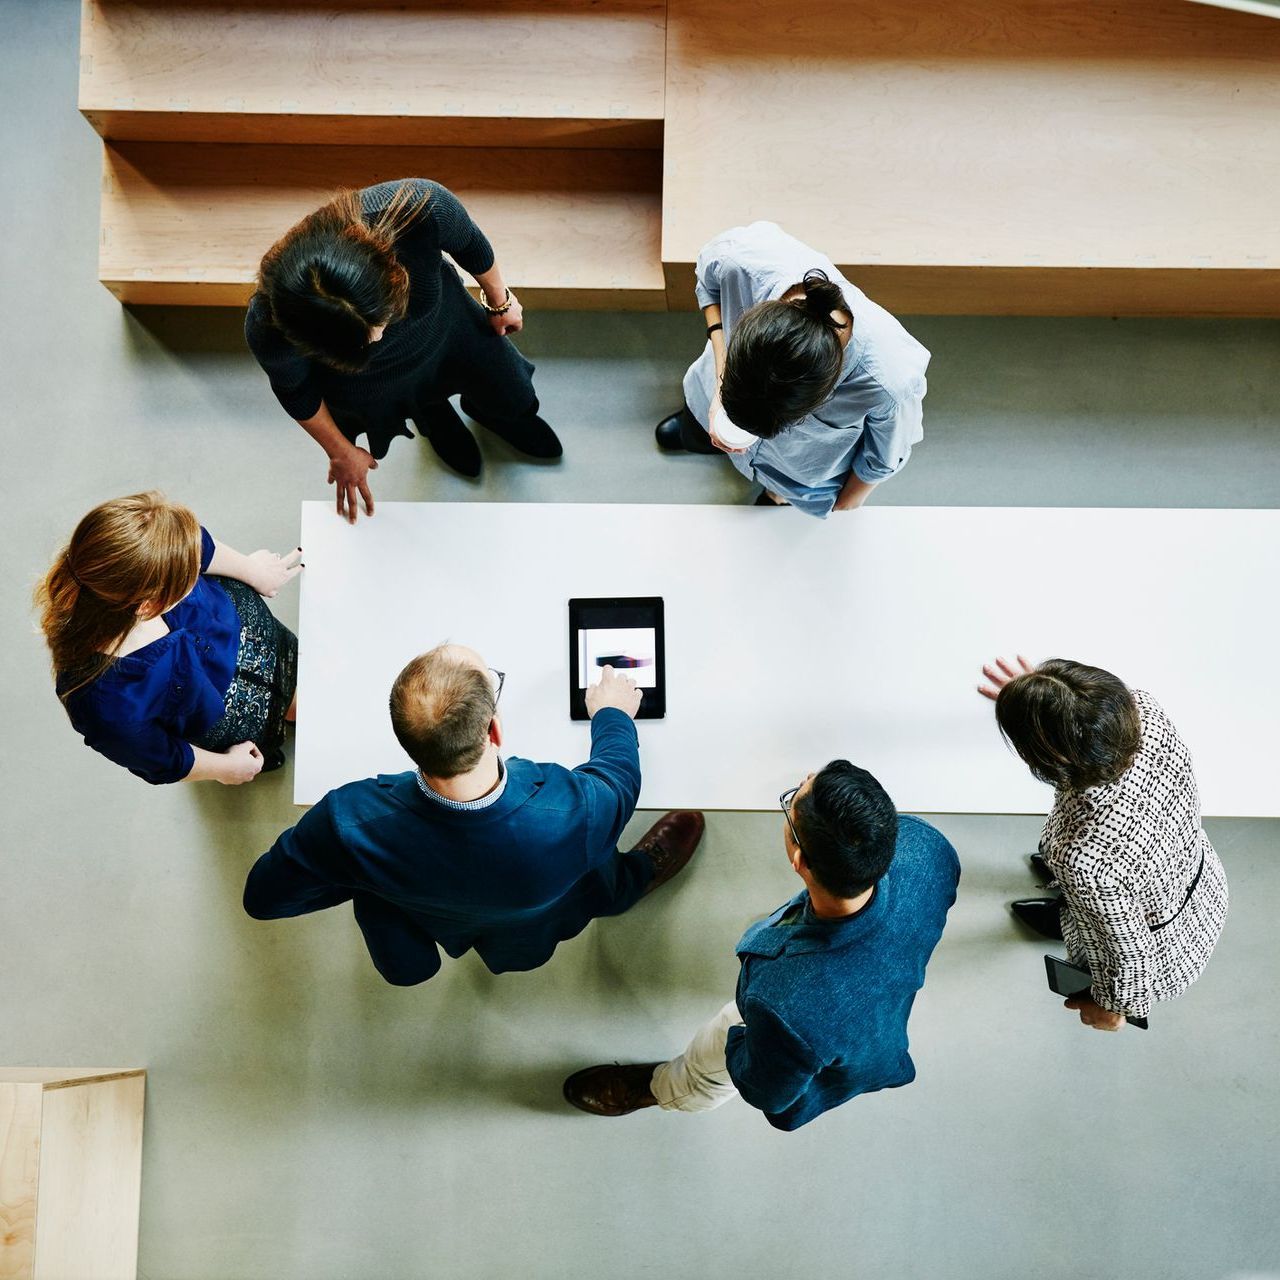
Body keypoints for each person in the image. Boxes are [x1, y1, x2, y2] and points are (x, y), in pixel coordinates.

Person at [243, 645, 703, 986]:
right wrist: (613, 714)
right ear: (495, 729)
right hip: (533, 922)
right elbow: (619, 777)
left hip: (433, 916)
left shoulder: (347, 822)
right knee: (600, 868)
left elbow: (264, 899)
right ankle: (632, 881)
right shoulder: (572, 807)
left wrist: (365, 877)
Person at [563, 761, 958, 1130]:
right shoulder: (928, 847)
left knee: (711, 1059)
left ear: (800, 859)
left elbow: (766, 1090)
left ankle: (662, 1088)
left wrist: (738, 1041)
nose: (796, 792)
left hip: (815, 1032)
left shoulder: (785, 1003)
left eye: (792, 801)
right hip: (869, 1001)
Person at [246, 178, 561, 523]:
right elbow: (295, 389)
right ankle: (436, 420)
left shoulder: (418, 211)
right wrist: (340, 451)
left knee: (514, 394)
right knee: (422, 406)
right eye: (361, 340)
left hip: (448, 331)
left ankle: (494, 415)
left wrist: (500, 301)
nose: (378, 338)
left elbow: (470, 243)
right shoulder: (269, 324)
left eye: (381, 321)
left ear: (391, 272)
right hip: (370, 381)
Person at [978, 656, 1229, 1031]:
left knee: (1091, 896)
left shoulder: (1083, 860)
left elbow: (1128, 952)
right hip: (1192, 878)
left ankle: (1076, 913)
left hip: (1165, 947)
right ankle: (1075, 907)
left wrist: (1114, 1008)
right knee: (1089, 886)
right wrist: (1045, 704)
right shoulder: (1144, 710)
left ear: (1050, 757)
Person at [653, 221, 929, 516]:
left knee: (780, 491)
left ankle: (776, 494)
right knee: (696, 430)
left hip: (794, 471)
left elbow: (882, 459)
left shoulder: (890, 382)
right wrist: (720, 382)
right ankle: (698, 430)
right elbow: (708, 280)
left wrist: (845, 502)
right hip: (709, 395)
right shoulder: (742, 260)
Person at [37, 492, 302, 785]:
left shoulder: (151, 542)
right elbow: (163, 757)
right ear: (148, 606)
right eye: (189, 577)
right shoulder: (100, 702)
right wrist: (226, 768)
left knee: (302, 700)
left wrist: (253, 571)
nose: (198, 569)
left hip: (248, 633)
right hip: (228, 717)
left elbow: (199, 545)